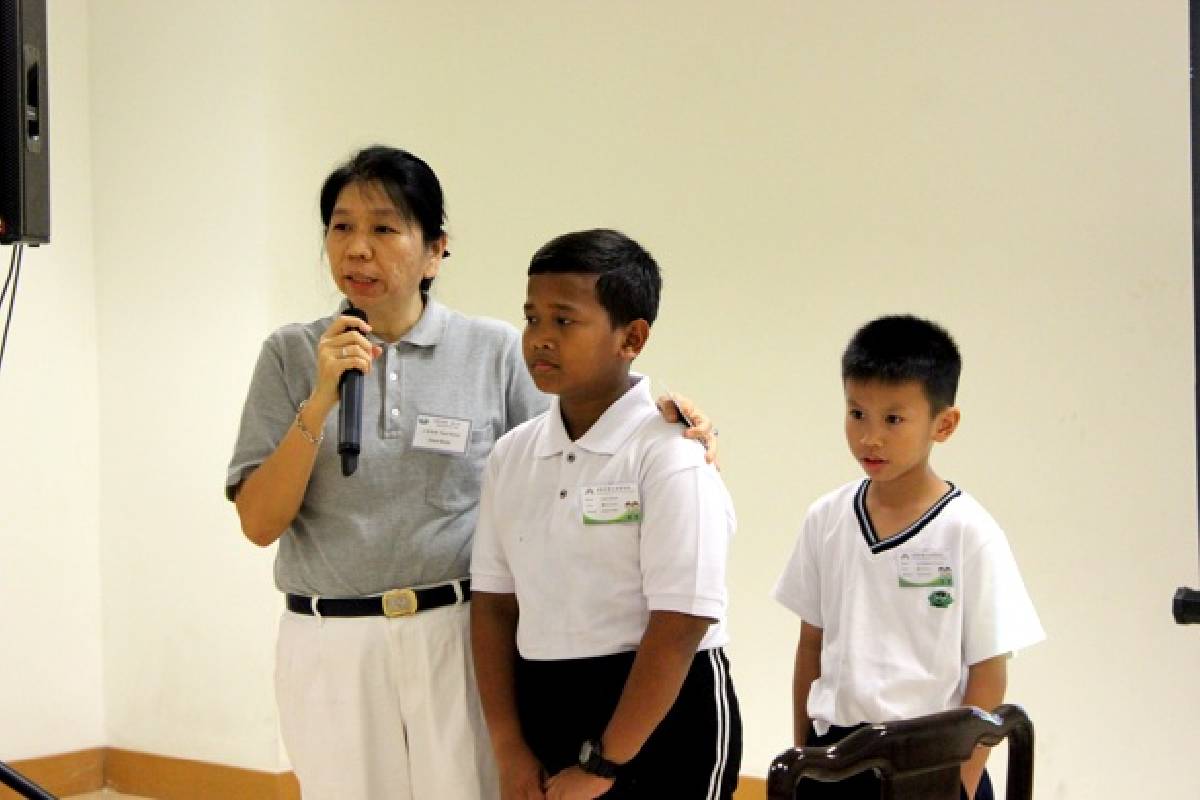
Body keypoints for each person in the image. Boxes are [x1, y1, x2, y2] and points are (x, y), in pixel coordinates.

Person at [225, 148, 716, 800]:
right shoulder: (291, 354)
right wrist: (319, 400)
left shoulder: (492, 351)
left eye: (384, 228)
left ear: (434, 251)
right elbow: (260, 524)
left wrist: (670, 424)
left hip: (455, 635)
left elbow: (573, 442)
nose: (358, 250)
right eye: (341, 228)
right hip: (328, 641)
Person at [470, 229, 741, 800]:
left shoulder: (669, 453)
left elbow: (681, 622)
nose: (541, 339)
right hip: (545, 701)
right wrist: (508, 745)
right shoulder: (512, 454)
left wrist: (606, 764)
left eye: (564, 321)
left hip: (664, 711)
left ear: (632, 338)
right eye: (532, 318)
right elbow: (494, 606)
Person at [772, 315, 1045, 800]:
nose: (870, 437)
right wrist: (807, 756)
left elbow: (989, 670)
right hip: (837, 756)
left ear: (944, 424)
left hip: (936, 763)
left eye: (893, 420)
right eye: (857, 414)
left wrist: (960, 781)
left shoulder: (969, 531)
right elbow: (810, 645)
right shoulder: (826, 518)